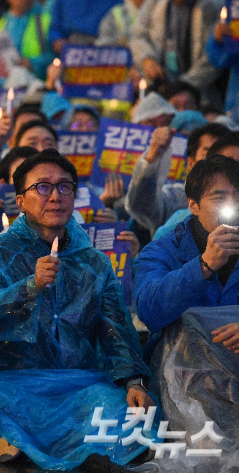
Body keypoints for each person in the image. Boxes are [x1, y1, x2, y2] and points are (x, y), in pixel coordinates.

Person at [0, 149, 153, 472]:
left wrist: (134, 382)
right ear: (21, 201)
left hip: (78, 385)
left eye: (64, 187)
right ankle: (61, 449)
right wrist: (30, 287)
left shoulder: (94, 261)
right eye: (42, 187)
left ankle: (23, 447)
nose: (55, 196)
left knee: (134, 415)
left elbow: (115, 330)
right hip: (11, 384)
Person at [133, 156, 239, 458]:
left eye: (237, 197)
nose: (231, 206)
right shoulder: (164, 249)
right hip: (185, 378)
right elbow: (150, 311)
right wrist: (204, 266)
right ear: (192, 205)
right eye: (219, 197)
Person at [125, 123, 231, 237]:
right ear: (191, 163)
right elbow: (141, 206)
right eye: (207, 154)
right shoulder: (177, 198)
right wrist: (153, 155)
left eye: (222, 156)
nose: (216, 163)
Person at [129, 0, 221, 105]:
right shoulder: (154, 3)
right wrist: (147, 59)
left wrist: (180, 86)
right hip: (160, 86)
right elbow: (137, 35)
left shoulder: (211, 7)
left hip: (198, 95)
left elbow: (214, 58)